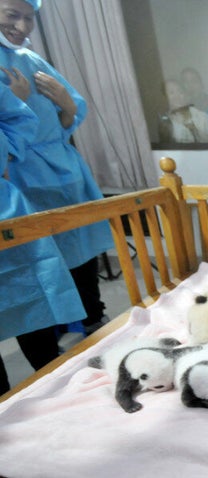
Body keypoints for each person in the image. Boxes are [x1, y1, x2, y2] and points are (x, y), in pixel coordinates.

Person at [1, 0, 114, 336]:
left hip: (65, 171)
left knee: (83, 249)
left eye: (29, 18)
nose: (21, 27)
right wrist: (17, 103)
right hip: (24, 176)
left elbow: (66, 119)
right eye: (12, 16)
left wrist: (66, 104)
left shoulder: (30, 59)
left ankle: (94, 319)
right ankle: (55, 336)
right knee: (45, 263)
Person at [0, 83, 87, 395]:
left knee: (33, 303)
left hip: (6, 207)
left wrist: (7, 149)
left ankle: (55, 384)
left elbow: (19, 118)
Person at [159, 79, 208, 143]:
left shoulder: (203, 116)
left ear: (186, 95)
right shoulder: (165, 123)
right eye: (171, 93)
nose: (177, 96)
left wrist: (193, 129)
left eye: (180, 92)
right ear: (165, 98)